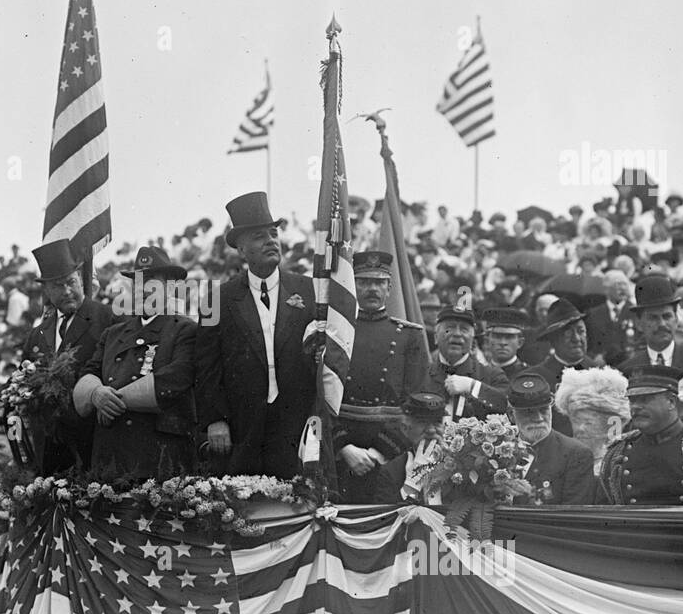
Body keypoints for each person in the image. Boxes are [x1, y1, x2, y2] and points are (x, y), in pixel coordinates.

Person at [194, 191, 318, 478]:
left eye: (274, 233)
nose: (271, 241)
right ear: (241, 248)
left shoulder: (309, 291)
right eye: (260, 236)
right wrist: (215, 420)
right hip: (240, 426)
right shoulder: (215, 298)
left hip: (296, 424)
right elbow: (205, 366)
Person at [74, 246, 197, 481]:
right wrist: (95, 393)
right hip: (111, 456)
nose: (144, 290)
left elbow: (177, 378)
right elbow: (89, 371)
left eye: (152, 282)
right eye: (139, 283)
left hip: (160, 457)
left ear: (170, 287)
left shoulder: (184, 328)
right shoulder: (113, 333)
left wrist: (112, 400)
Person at [334, 250, 428, 502]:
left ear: (389, 288)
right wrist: (344, 448)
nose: (372, 289)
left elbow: (416, 405)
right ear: (352, 286)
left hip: (390, 452)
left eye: (379, 283)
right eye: (364, 282)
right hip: (342, 450)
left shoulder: (410, 336)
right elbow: (321, 397)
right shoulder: (335, 331)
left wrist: (379, 453)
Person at [20, 238, 115, 474]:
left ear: (81, 280)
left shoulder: (106, 318)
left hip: (92, 437)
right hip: (50, 444)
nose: (67, 291)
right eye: (58, 286)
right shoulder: (38, 333)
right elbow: (20, 376)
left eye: (71, 282)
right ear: (47, 290)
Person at [597, 366, 683, 505]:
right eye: (632, 400)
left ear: (671, 402)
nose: (636, 407)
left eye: (645, 399)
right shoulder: (618, 452)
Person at [505, 373, 595, 504]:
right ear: (511, 415)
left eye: (543, 410)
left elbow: (574, 515)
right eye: (528, 411)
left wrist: (531, 495)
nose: (539, 418)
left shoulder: (576, 454)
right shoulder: (495, 448)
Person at [618, 273, 683, 375]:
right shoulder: (627, 371)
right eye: (653, 318)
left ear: (676, 319)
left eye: (667, 316)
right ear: (639, 324)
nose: (662, 324)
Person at [422, 295, 508, 420]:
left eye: (464, 329)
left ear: (473, 339)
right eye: (449, 329)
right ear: (435, 337)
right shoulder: (421, 374)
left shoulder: (491, 375)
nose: (457, 334)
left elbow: (506, 404)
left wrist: (473, 387)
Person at [374, 392, 449, 504]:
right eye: (422, 422)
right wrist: (410, 487)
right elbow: (385, 518)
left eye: (437, 422)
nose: (431, 430)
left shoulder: (460, 465)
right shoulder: (391, 472)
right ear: (405, 429)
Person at [529, 299, 598, 388]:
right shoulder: (536, 378)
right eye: (567, 333)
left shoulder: (602, 374)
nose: (576, 339)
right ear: (553, 341)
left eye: (581, 331)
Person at [584, 270, 634, 367]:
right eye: (618, 284)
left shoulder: (635, 312)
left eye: (625, 284)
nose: (622, 288)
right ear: (606, 289)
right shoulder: (592, 314)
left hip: (629, 366)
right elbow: (586, 344)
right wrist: (594, 357)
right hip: (600, 368)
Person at [481, 307, 531, 378]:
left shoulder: (528, 375)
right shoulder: (479, 374)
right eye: (497, 337)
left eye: (509, 337)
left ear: (520, 343)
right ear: (487, 341)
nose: (503, 343)